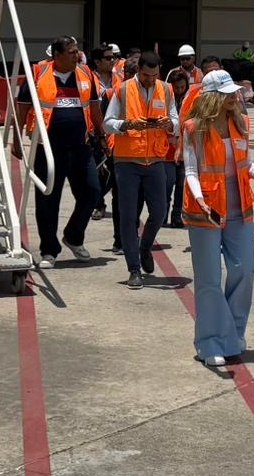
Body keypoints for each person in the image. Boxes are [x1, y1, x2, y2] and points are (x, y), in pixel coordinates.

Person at [182, 70, 254, 367]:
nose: (234, 97)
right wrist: (200, 200)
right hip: (206, 211)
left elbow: (246, 162)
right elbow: (190, 170)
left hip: (239, 206)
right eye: (226, 93)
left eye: (233, 92)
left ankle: (233, 334)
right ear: (211, 97)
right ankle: (209, 342)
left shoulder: (241, 122)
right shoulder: (193, 128)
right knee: (209, 278)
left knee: (245, 269)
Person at [12, 37, 104, 269]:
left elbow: (94, 107)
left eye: (77, 51)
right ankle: (49, 250)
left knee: (92, 192)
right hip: (48, 150)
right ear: (57, 55)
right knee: (48, 201)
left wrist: (102, 135)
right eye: (71, 52)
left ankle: (73, 236)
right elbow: (21, 110)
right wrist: (16, 140)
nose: (77, 56)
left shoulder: (85, 74)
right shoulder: (38, 75)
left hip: (81, 147)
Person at [104, 51, 179, 289]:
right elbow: (107, 123)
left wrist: (170, 124)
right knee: (128, 216)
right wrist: (127, 124)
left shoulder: (166, 89)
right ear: (139, 71)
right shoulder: (123, 89)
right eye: (147, 76)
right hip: (127, 160)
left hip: (155, 159)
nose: (151, 80)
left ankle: (144, 246)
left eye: (155, 75)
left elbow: (176, 121)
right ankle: (134, 269)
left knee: (159, 211)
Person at [90, 44, 122, 222]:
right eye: (108, 58)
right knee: (96, 171)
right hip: (94, 132)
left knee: (114, 172)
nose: (112, 61)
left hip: (113, 132)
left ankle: (110, 203)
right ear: (97, 61)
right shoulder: (88, 79)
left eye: (113, 58)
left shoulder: (119, 80)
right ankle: (98, 204)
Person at [164, 70, 191, 228]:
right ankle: (162, 215)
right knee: (167, 184)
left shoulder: (191, 99)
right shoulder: (165, 98)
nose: (180, 90)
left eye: (182, 87)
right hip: (167, 148)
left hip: (185, 148)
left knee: (181, 185)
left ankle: (177, 217)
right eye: (177, 87)